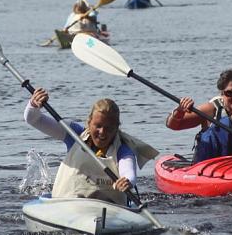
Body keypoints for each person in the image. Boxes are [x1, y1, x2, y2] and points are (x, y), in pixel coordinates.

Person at [24, 88, 158, 205]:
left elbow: (128, 172)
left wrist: (127, 181)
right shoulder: (73, 133)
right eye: (98, 126)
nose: (102, 132)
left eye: (109, 128)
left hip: (107, 210)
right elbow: (33, 119)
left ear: (117, 127)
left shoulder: (123, 149)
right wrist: (34, 105)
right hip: (66, 204)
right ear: (89, 122)